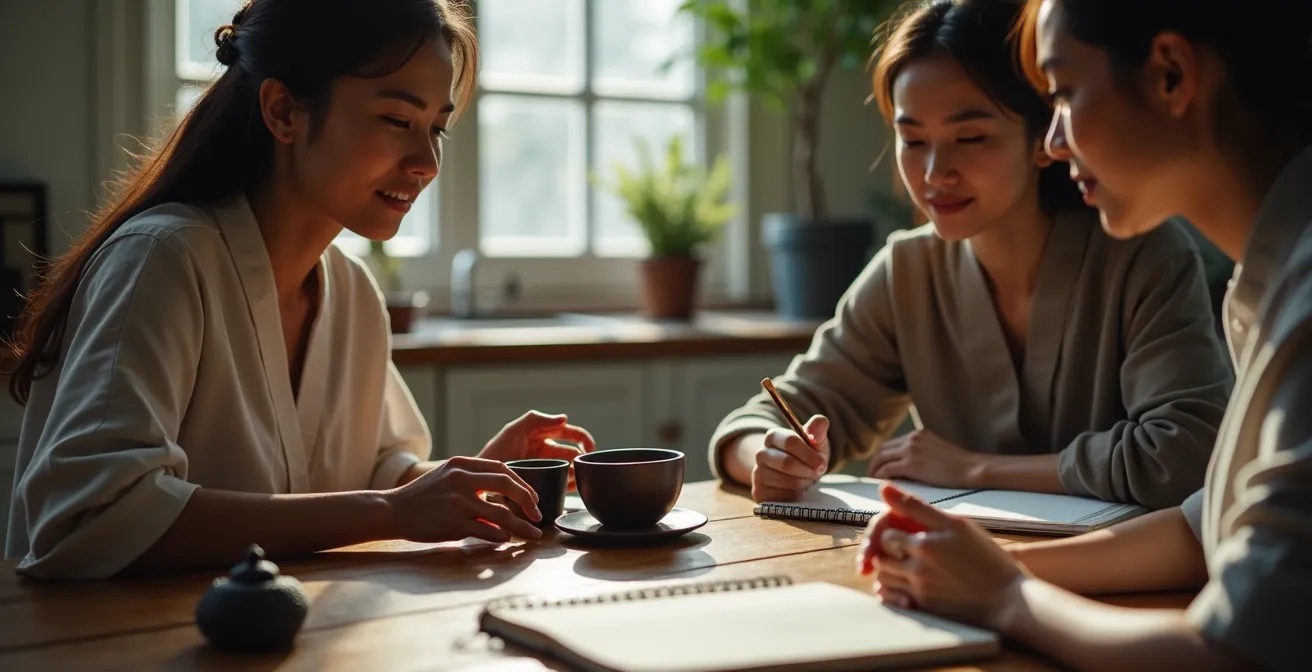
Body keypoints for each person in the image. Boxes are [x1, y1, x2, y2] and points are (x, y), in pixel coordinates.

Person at [3, 0, 595, 580]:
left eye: (436, 128)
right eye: (397, 120)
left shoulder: (353, 293)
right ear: (283, 111)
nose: (428, 161)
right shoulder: (163, 260)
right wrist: (391, 510)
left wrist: (479, 476)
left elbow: (376, 475)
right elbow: (92, 516)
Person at [857, 0, 1312, 669]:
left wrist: (1008, 595)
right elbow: (1206, 524)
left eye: (1065, 92)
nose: (1052, 141)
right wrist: (989, 569)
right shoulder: (1271, 283)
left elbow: (1234, 652)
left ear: (1171, 75)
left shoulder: (1296, 293)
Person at [708, 0, 1232, 509]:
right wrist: (769, 456)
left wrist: (976, 469)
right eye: (914, 141)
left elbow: (1184, 453)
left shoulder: (1143, 257)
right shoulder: (908, 271)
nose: (936, 173)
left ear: (1041, 136)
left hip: (1122, 564)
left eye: (971, 137)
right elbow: (764, 419)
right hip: (941, 558)